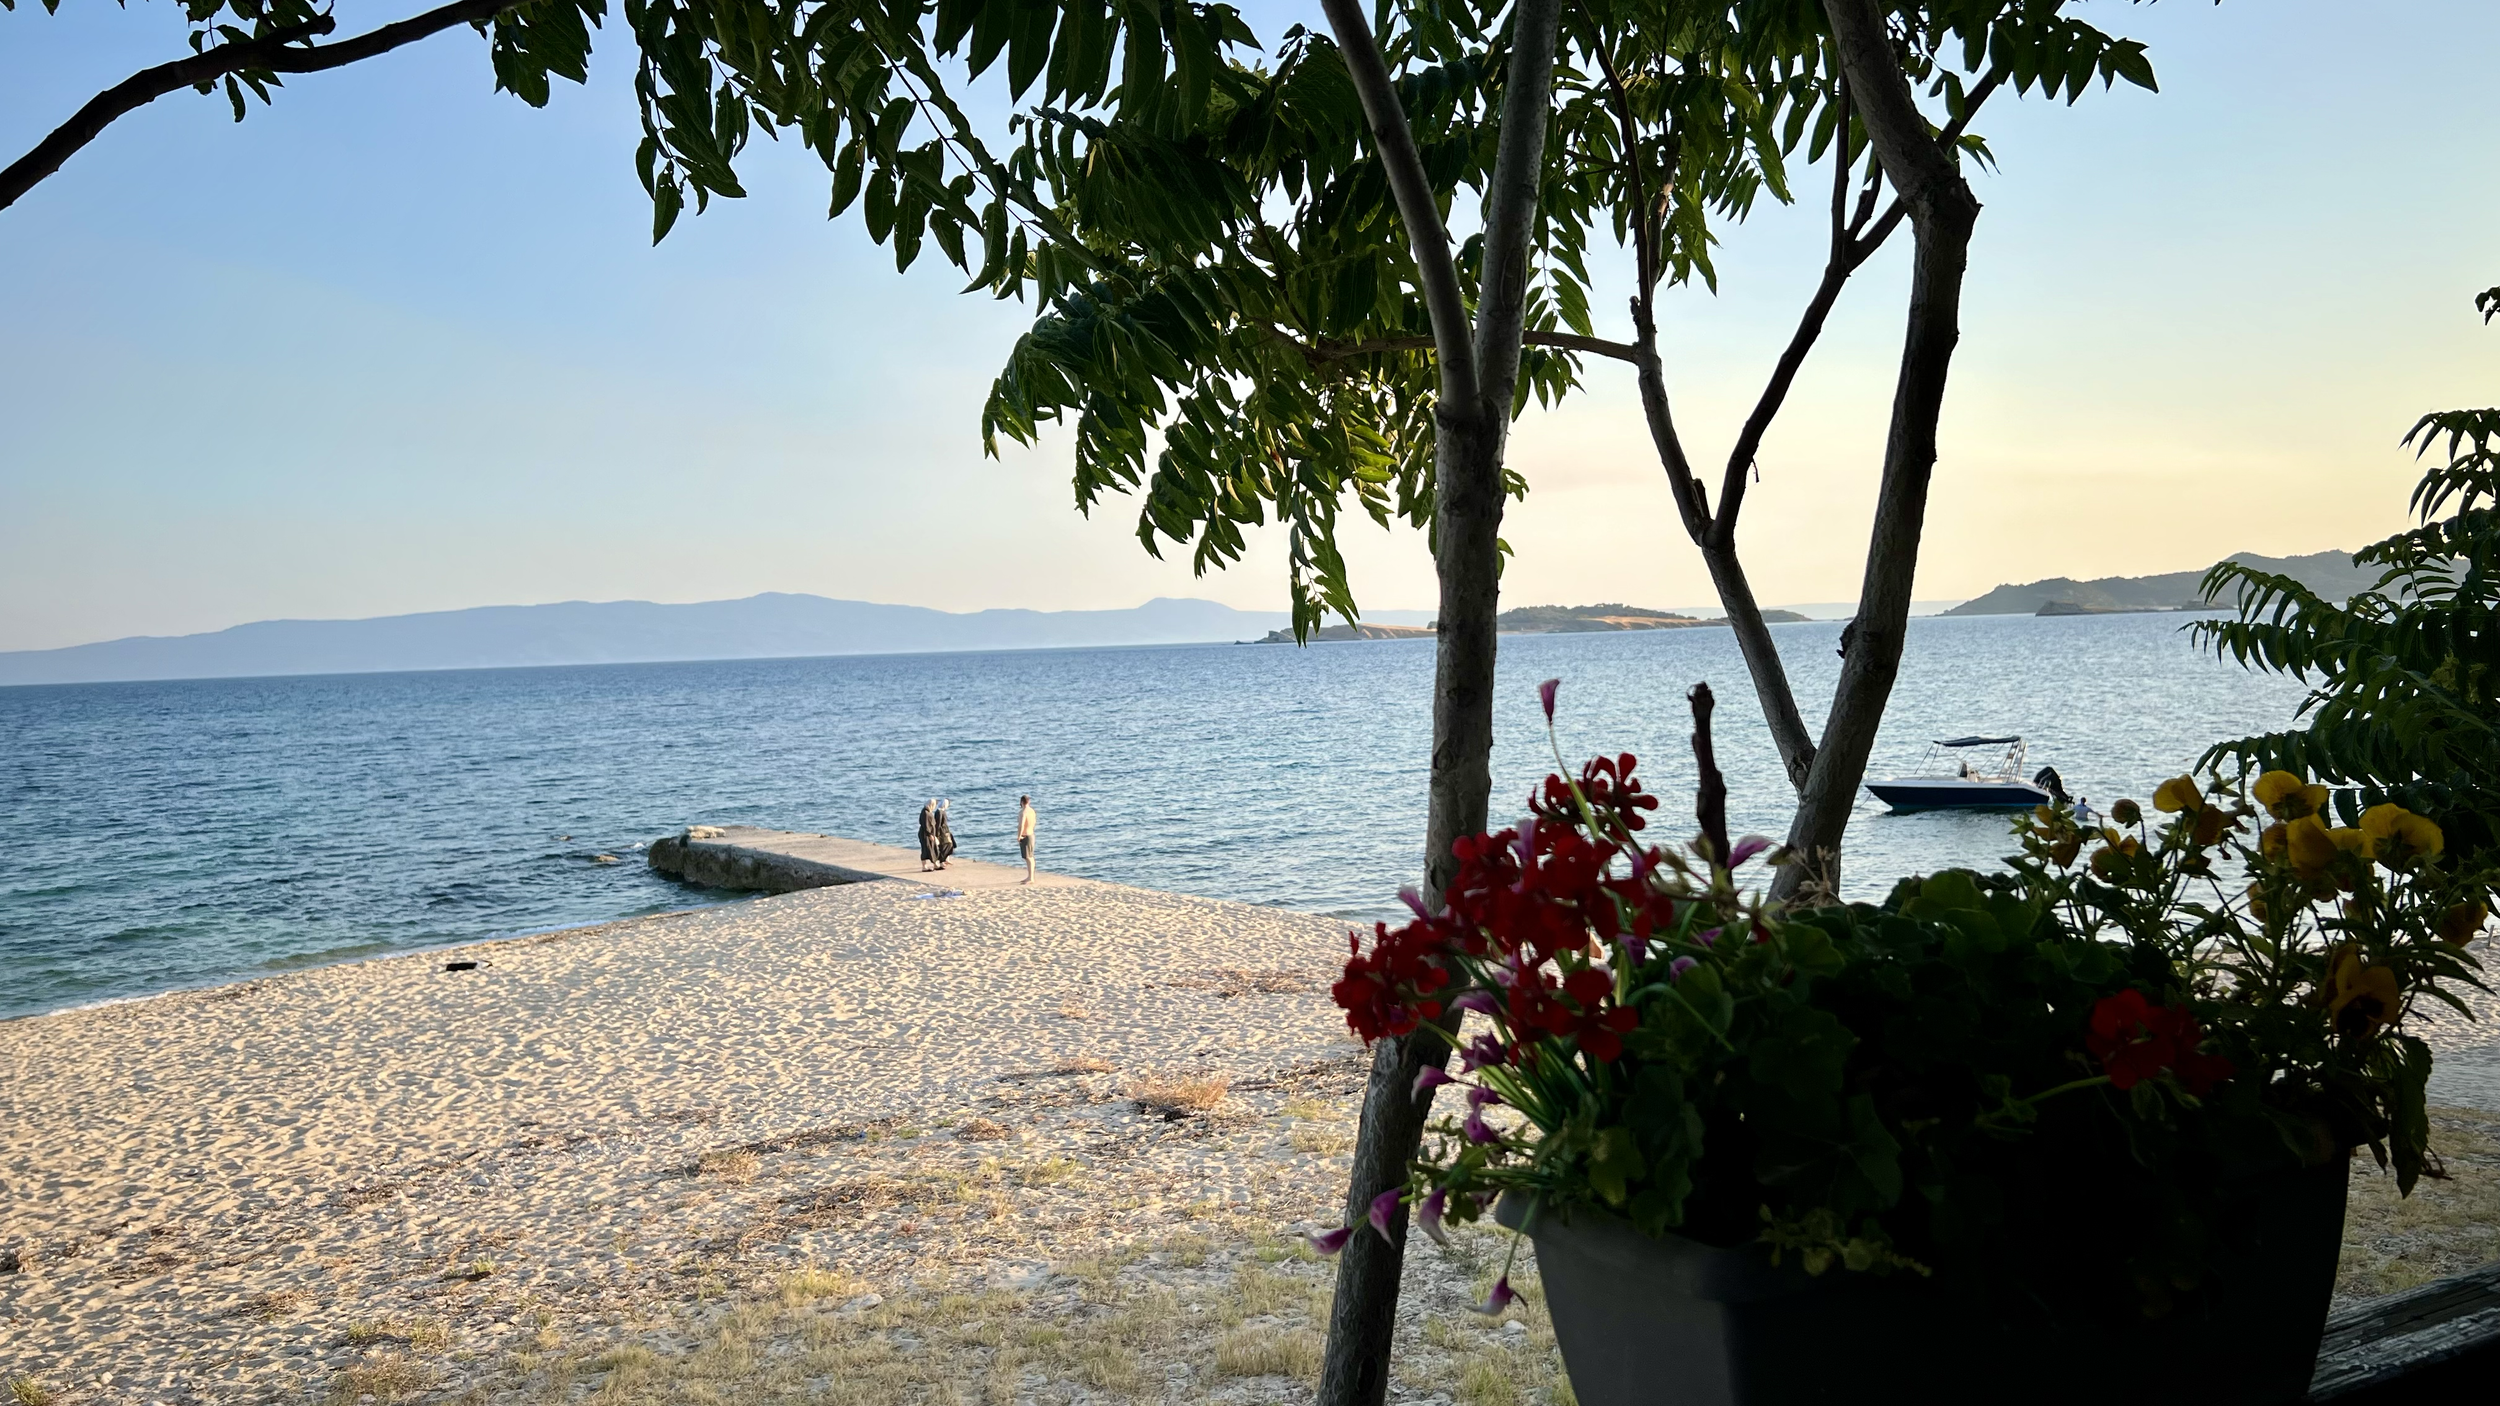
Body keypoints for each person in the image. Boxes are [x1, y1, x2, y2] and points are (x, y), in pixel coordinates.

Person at [1016, 794, 1037, 883]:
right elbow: (1034, 822)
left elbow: (1021, 825)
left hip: (1025, 835)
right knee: (1029, 857)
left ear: (1021, 802)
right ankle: (1030, 876)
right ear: (1029, 801)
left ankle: (1031, 877)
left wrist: (1019, 836)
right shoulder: (1032, 811)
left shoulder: (1023, 812)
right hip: (1031, 834)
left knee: (1028, 857)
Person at [934, 799, 958, 869]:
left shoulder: (942, 811)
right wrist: (937, 834)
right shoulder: (939, 812)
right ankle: (942, 861)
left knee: (951, 844)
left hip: (946, 830)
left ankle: (945, 859)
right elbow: (938, 824)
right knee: (946, 845)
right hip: (942, 831)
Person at [917, 799, 939, 871]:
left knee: (932, 848)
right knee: (926, 849)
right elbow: (926, 825)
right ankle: (925, 866)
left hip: (928, 833)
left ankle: (934, 864)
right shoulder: (925, 812)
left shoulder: (927, 811)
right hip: (925, 834)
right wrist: (930, 834)